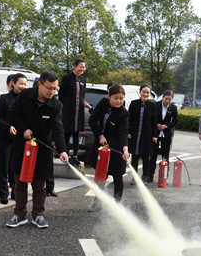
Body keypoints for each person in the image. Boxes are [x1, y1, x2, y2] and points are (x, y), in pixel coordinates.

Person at [5, 70, 69, 229]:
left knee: (40, 185)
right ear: (40, 84)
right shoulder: (25, 96)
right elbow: (11, 115)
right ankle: (19, 214)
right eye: (49, 88)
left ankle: (38, 214)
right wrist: (23, 129)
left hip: (43, 149)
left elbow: (58, 129)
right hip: (23, 146)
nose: (52, 92)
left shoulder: (56, 105)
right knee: (19, 182)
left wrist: (62, 150)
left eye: (55, 89)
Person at [87, 84, 130, 212]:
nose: (118, 101)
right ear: (109, 96)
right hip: (101, 145)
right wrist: (100, 135)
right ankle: (97, 202)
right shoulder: (103, 103)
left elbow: (123, 132)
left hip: (116, 148)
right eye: (116, 98)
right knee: (101, 176)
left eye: (121, 98)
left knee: (118, 177)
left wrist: (125, 149)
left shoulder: (124, 114)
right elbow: (92, 120)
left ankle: (117, 205)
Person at [0, 73, 27, 204]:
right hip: (5, 137)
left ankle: (15, 191)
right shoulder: (4, 98)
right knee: (3, 166)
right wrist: (8, 127)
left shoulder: (26, 101)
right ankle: (3, 193)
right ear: (13, 84)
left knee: (16, 167)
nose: (23, 86)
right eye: (20, 84)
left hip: (20, 139)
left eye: (25, 84)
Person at [58, 58, 91, 166]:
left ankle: (75, 156)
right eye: (80, 66)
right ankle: (66, 154)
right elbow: (61, 96)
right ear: (75, 66)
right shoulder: (67, 78)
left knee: (77, 134)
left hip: (79, 111)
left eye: (83, 67)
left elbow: (82, 95)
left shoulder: (83, 80)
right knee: (67, 133)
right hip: (68, 111)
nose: (82, 69)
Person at [128, 84, 157, 184]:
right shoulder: (134, 103)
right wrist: (129, 132)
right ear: (140, 92)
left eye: (147, 92)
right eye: (144, 92)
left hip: (147, 136)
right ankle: (134, 178)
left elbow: (154, 121)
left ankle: (145, 177)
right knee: (135, 157)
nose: (145, 94)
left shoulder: (152, 105)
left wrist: (154, 135)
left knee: (145, 157)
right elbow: (129, 119)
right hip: (135, 135)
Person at [149, 89, 178, 183]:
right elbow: (151, 118)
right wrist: (156, 125)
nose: (167, 101)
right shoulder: (155, 105)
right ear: (162, 97)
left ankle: (164, 177)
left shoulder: (173, 108)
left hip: (167, 134)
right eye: (166, 99)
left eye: (170, 99)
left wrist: (166, 126)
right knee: (153, 155)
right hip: (155, 133)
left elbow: (175, 121)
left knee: (165, 156)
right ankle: (150, 176)